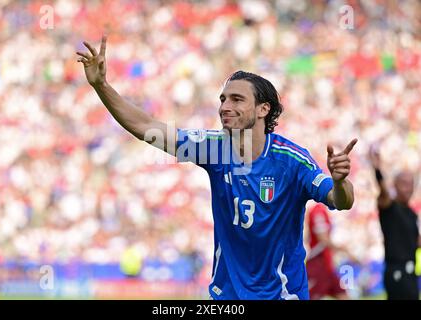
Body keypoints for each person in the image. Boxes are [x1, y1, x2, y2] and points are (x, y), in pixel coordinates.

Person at [76, 36, 357, 300]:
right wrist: (101, 86)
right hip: (226, 297)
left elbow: (339, 201)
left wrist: (341, 181)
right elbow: (146, 127)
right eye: (223, 99)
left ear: (263, 109)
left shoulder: (292, 160)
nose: (224, 106)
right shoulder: (214, 148)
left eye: (237, 99)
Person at [369, 146, 420, 300]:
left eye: (410, 184)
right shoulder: (390, 207)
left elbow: (415, 241)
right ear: (395, 184)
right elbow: (383, 193)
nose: (408, 188)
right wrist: (377, 171)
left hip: (411, 272)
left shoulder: (411, 213)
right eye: (404, 183)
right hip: (396, 270)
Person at [306, 203, 358, 300]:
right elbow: (323, 239)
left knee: (343, 296)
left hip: (326, 265)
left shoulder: (321, 210)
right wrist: (345, 251)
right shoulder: (317, 210)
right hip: (318, 265)